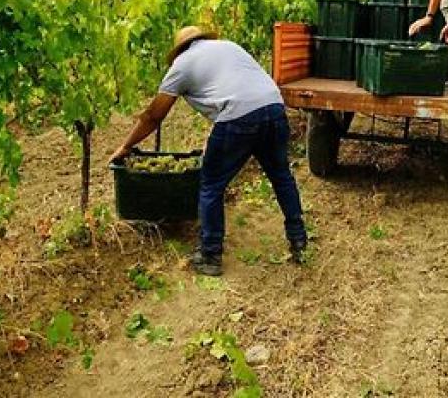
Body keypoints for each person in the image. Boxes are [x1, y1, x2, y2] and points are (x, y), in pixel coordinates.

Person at [109, 26, 308, 276]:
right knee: (281, 176)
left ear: (179, 48)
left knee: (211, 184)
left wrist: (126, 145)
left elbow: (153, 116)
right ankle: (299, 240)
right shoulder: (229, 46)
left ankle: (210, 254)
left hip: (237, 115)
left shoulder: (182, 64)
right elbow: (239, 86)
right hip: (274, 107)